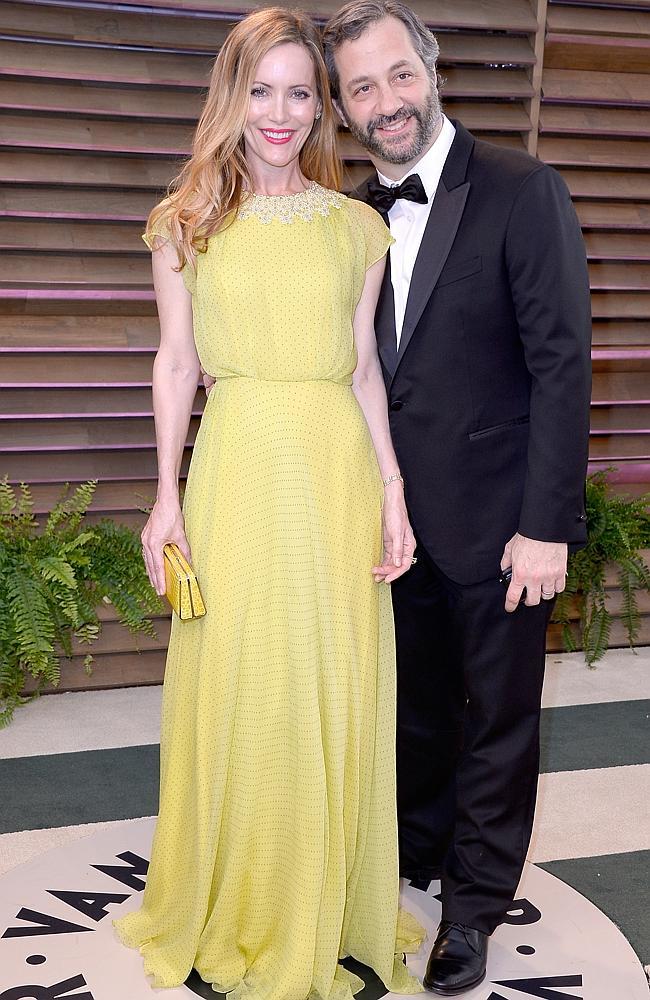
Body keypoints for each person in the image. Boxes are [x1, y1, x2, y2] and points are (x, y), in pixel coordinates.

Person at [112, 7, 426, 998]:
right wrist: (164, 497)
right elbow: (174, 364)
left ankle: (327, 901)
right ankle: (242, 899)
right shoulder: (185, 219)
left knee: (330, 683)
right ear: (230, 97)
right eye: (262, 91)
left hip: (334, 465)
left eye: (300, 91)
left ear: (318, 104)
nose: (281, 113)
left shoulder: (357, 227)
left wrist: (391, 491)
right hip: (239, 464)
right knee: (246, 682)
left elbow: (366, 372)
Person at [322, 2, 592, 994]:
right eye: (360, 86)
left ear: (428, 70)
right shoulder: (346, 218)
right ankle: (413, 860)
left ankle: (472, 911)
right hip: (387, 528)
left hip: (499, 522)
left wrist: (543, 525)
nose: (385, 101)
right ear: (342, 106)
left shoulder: (524, 192)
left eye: (398, 74)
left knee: (496, 723)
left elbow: (561, 366)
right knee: (416, 716)